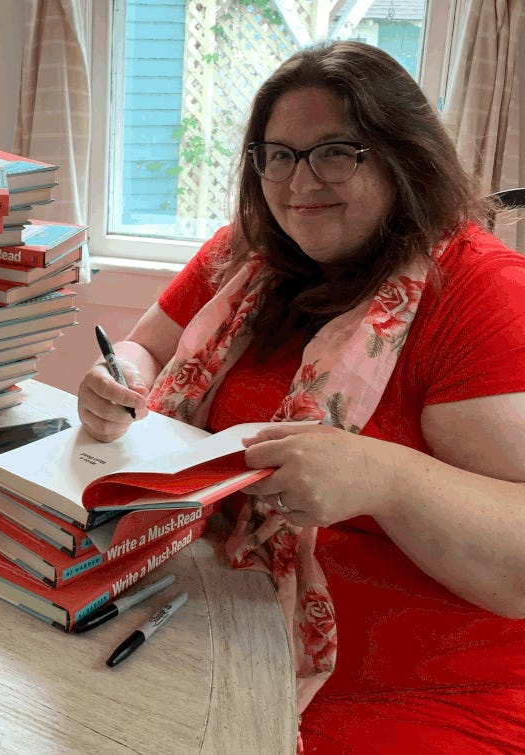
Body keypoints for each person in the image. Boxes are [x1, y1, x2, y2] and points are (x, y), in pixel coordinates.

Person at [77, 41, 525, 753]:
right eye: (277, 154)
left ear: (402, 155)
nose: (298, 182)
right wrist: (120, 378)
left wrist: (382, 477)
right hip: (215, 613)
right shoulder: (244, 254)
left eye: (334, 152)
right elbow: (145, 349)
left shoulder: (479, 293)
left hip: (418, 691)